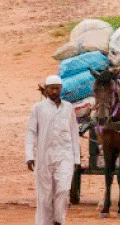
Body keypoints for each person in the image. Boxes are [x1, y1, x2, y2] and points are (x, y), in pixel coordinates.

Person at [25, 75, 80, 225]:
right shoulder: (38, 108)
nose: (55, 91)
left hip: (65, 156)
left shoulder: (68, 108)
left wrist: (76, 159)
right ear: (46, 90)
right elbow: (31, 132)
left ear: (61, 89)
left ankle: (58, 221)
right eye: (52, 88)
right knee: (45, 195)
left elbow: (74, 133)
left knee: (63, 190)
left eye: (57, 88)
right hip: (44, 157)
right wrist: (29, 155)